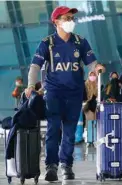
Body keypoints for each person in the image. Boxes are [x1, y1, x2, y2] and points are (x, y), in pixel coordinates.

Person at [24, 6, 105, 182]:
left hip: (75, 93)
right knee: (53, 129)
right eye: (67, 18)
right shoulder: (47, 43)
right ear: (56, 21)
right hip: (53, 92)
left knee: (69, 132)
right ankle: (51, 166)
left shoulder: (80, 42)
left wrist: (96, 68)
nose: (71, 21)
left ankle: (66, 165)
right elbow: (35, 66)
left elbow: (91, 63)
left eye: (72, 18)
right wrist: (31, 84)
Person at [82, 71, 98, 141]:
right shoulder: (85, 84)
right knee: (89, 122)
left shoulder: (98, 84)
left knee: (95, 122)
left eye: (94, 75)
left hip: (96, 105)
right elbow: (84, 96)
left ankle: (94, 138)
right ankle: (89, 139)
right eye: (91, 75)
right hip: (88, 104)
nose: (92, 77)